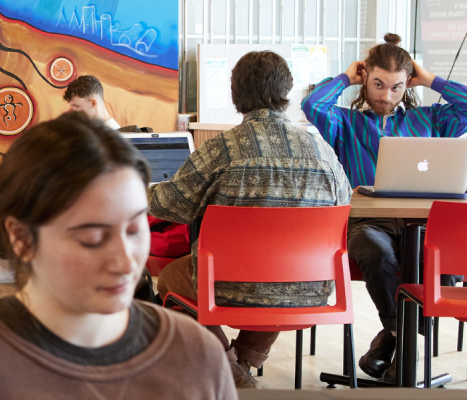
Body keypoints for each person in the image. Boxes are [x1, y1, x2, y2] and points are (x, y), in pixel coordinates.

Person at [0, 112, 235, 399]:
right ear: (22, 238)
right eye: (91, 237)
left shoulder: (197, 356)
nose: (127, 261)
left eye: (134, 229)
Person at [151, 51, 352, 388]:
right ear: (288, 92)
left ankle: (230, 372)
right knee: (275, 272)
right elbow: (343, 206)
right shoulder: (323, 152)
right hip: (309, 286)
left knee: (171, 276)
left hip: (229, 285)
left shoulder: (223, 149)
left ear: (235, 96)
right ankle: (242, 365)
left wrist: (144, 189)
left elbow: (171, 206)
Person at [301, 33, 467, 382]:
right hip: (367, 223)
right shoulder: (345, 123)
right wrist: (345, 76)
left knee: (441, 263)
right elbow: (313, 104)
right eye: (377, 84)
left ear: (408, 85)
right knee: (377, 253)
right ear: (364, 78)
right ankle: (403, 340)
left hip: (424, 224)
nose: (386, 96)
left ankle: (391, 339)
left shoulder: (432, 120)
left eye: (396, 88)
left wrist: (431, 79)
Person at [0, 74, 122, 284]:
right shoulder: (88, 130)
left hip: (73, 195)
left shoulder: (111, 135)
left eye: (77, 106)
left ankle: (6, 266)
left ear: (93, 102)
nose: (74, 112)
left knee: (3, 194)